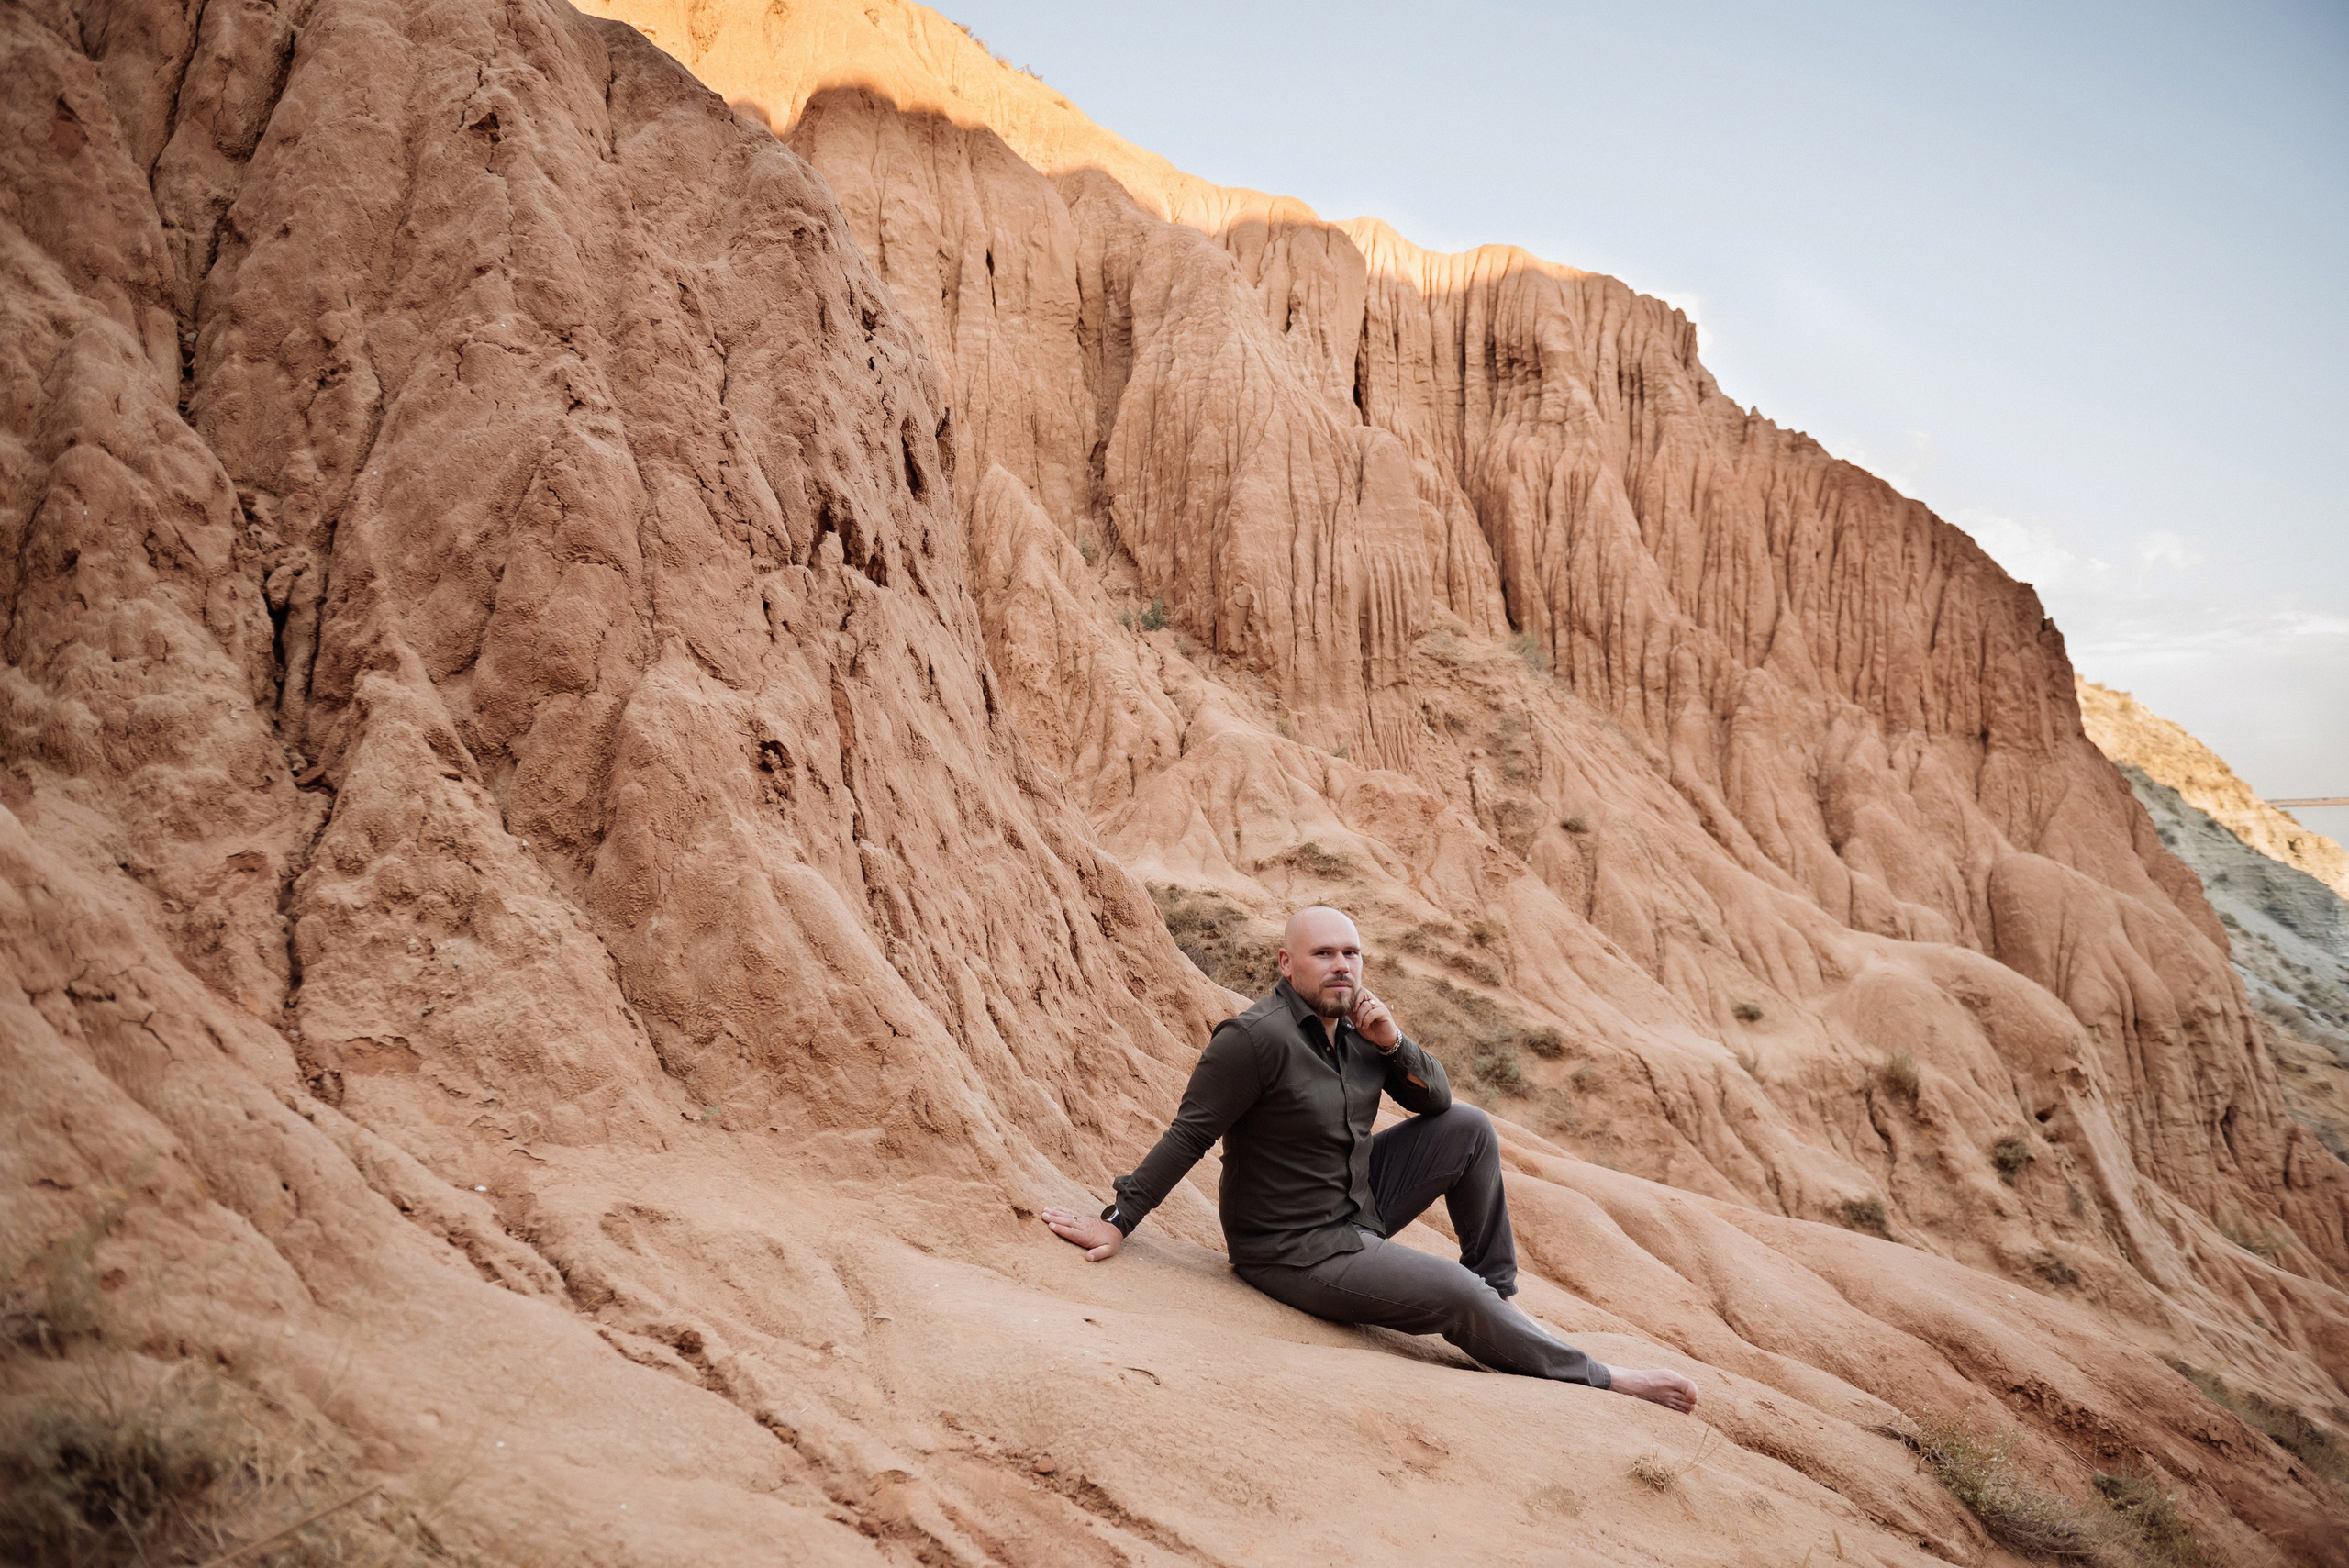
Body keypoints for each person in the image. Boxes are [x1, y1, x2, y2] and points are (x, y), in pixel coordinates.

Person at [1045, 905, 1699, 1411]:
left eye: (1351, 952)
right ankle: (1601, 1375)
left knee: (1469, 1127)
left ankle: (1500, 1307)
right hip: (1293, 1246)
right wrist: (1118, 1219)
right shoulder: (1252, 1040)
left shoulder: (1360, 1031)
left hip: (1358, 1209)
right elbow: (1187, 1134)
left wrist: (1393, 1042)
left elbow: (1437, 1101)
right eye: (1324, 953)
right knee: (1452, 1292)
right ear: (1286, 962)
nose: (1341, 965)